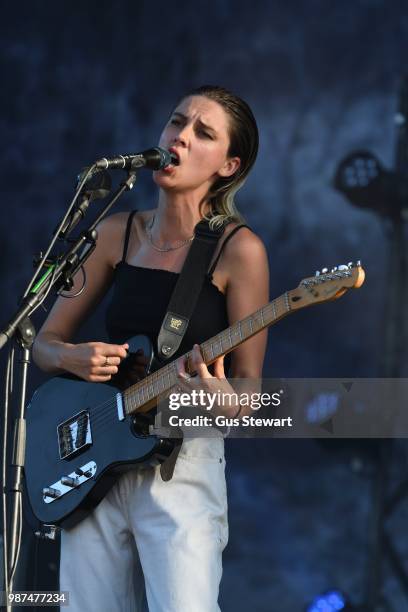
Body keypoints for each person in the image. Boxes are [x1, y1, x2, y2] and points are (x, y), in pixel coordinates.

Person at [32, 85, 269, 612]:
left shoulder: (240, 250)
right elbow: (41, 342)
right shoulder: (116, 231)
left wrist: (221, 399)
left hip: (180, 463)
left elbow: (250, 391)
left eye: (202, 133)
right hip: (93, 457)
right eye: (176, 122)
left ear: (229, 165)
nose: (179, 137)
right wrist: (71, 357)